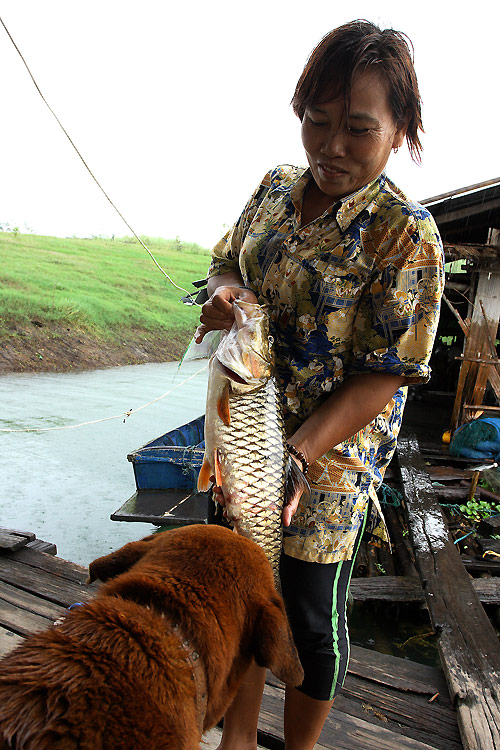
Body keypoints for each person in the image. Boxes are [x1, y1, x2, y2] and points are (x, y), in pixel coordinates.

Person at [196, 19, 444, 750]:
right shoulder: (274, 188)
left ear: (400, 130)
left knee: (308, 615)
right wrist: (226, 295)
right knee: (242, 592)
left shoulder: (407, 235)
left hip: (327, 461)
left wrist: (295, 455)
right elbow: (226, 263)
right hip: (242, 425)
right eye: (318, 121)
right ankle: (238, 739)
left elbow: (385, 377)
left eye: (359, 129)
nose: (332, 146)